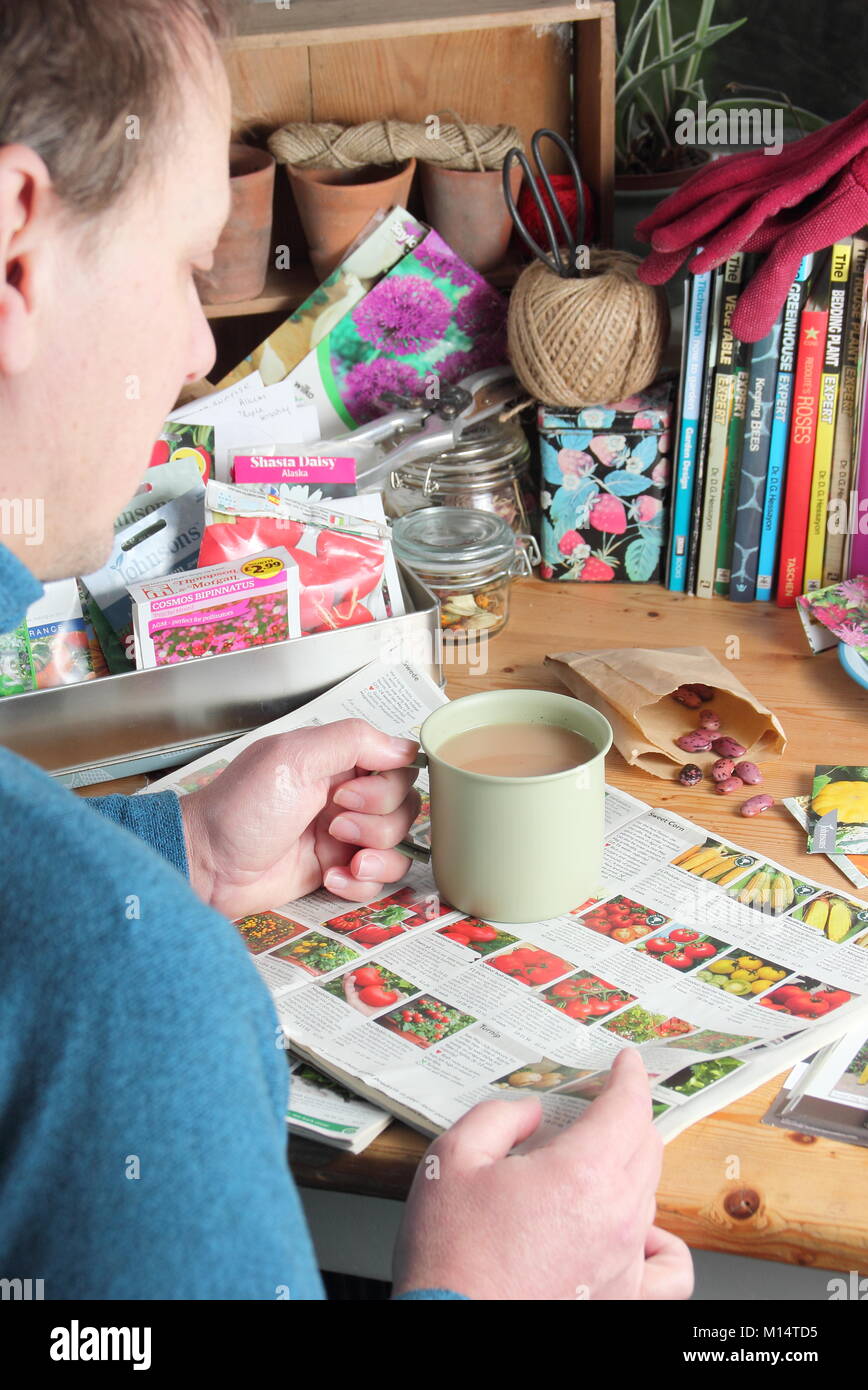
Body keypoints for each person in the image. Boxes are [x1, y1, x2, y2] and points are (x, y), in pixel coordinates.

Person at [0, 0, 693, 1301]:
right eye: (183, 268)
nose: (198, 347)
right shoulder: (132, 994)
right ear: (14, 253)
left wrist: (181, 852)